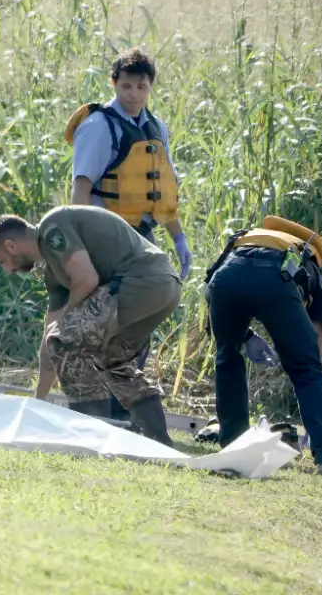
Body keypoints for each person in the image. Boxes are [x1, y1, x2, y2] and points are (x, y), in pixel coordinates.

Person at [0, 205, 181, 445]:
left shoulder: (52, 227)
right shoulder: (54, 274)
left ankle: (88, 434)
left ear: (11, 246)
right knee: (112, 362)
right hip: (164, 289)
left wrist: (64, 324)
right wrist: (38, 401)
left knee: (65, 337)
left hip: (142, 281)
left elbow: (87, 279)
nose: (8, 270)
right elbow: (50, 342)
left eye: (3, 261)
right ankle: (158, 438)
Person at [64, 47, 189, 421]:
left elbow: (162, 192)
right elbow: (81, 188)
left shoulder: (156, 128)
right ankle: (94, 411)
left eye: (141, 86)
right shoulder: (100, 125)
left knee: (137, 324)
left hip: (142, 240)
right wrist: (84, 243)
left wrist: (178, 238)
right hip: (106, 238)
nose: (133, 94)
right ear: (114, 83)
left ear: (150, 88)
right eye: (127, 86)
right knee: (100, 326)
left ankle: (122, 411)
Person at [201, 216, 322, 467]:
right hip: (277, 280)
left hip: (227, 277)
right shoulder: (307, 258)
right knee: (306, 368)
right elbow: (317, 341)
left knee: (227, 358)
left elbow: (209, 290)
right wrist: (314, 377)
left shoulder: (243, 239)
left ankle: (234, 444)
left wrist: (245, 337)